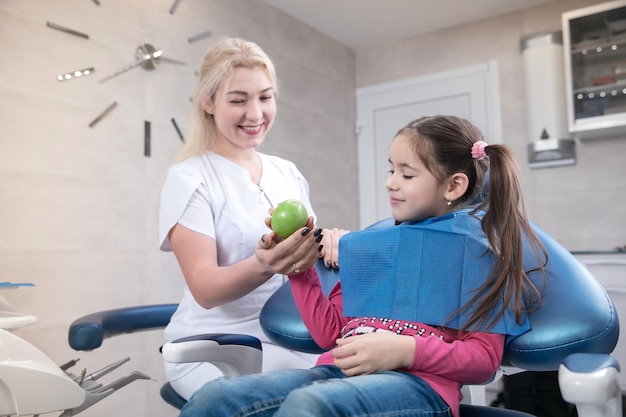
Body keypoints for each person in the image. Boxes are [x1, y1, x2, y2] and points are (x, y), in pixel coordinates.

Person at [178, 115, 549, 417]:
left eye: (406, 174)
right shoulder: (372, 247)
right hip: (335, 373)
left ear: (453, 186)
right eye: (390, 170)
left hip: (420, 387)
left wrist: (406, 351)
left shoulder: (478, 255)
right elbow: (331, 335)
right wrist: (299, 267)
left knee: (310, 405)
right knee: (217, 398)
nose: (390, 183)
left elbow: (483, 361)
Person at [158, 36, 346, 401]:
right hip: (214, 346)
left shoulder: (287, 172)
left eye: (265, 96)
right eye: (238, 100)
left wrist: (331, 243)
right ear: (208, 102)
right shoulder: (190, 177)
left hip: (288, 337)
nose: (256, 113)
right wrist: (265, 264)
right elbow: (205, 290)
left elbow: (306, 259)